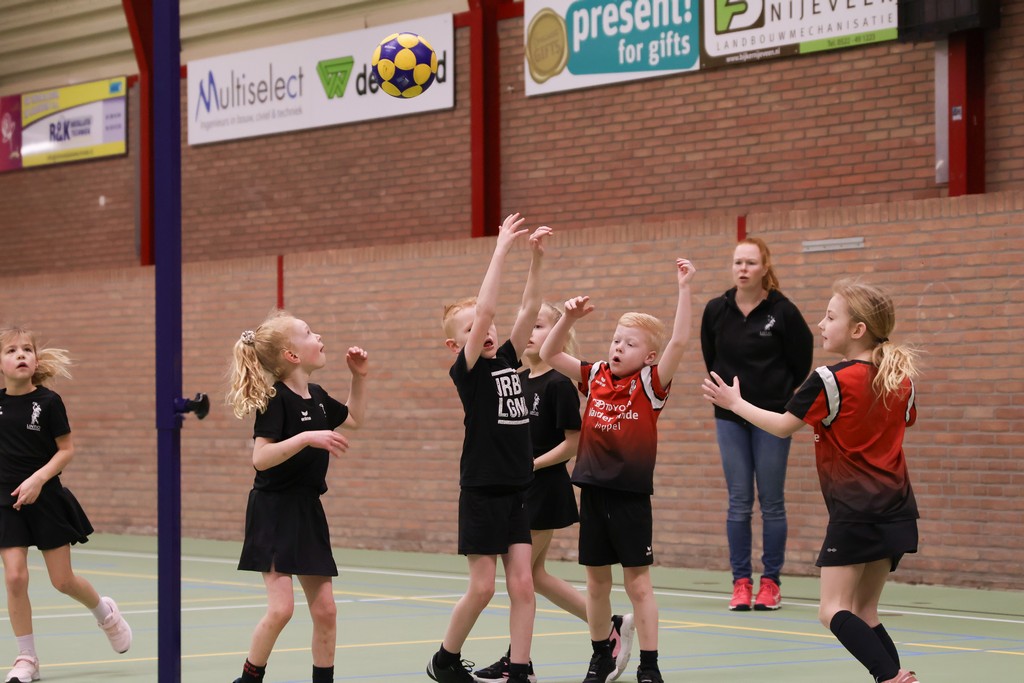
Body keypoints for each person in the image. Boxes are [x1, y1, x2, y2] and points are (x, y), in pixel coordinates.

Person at [702, 279, 922, 683]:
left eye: (831, 316)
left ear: (858, 329)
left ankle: (890, 677)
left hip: (856, 513)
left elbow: (783, 426)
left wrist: (735, 404)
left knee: (832, 609)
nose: (821, 323)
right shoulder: (899, 379)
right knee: (865, 611)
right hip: (898, 510)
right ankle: (894, 676)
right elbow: (901, 421)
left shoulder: (830, 379)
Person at [540, 258, 696, 683]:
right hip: (592, 494)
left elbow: (680, 342)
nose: (618, 347)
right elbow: (549, 353)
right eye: (615, 340)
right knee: (596, 585)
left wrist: (684, 289)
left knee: (638, 585)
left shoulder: (651, 384)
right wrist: (568, 318)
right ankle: (600, 656)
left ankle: (650, 665)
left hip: (630, 498)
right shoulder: (595, 376)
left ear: (648, 356)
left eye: (629, 343)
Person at [473, 302, 636, 683]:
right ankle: (609, 624)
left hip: (543, 490)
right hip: (518, 489)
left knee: (522, 578)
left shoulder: (559, 383)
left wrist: (531, 464)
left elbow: (573, 443)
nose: (530, 332)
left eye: (539, 325)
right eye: (527, 325)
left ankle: (519, 661)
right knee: (535, 575)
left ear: (557, 334)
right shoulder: (516, 377)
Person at [428, 214, 549, 683]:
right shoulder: (469, 370)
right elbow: (485, 311)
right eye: (472, 329)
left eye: (488, 325)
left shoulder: (510, 360)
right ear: (454, 343)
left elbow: (530, 305)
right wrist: (500, 249)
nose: (486, 328)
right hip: (481, 491)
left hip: (516, 490)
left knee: (523, 585)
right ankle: (444, 660)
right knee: (482, 589)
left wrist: (535, 258)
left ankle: (519, 670)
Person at [226, 311, 368, 683]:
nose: (318, 335)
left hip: (308, 510)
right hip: (273, 511)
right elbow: (261, 458)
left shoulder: (317, 396)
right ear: (292, 355)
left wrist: (358, 377)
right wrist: (306, 438)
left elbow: (354, 419)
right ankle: (249, 679)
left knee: (326, 610)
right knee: (282, 610)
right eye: (308, 332)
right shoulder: (276, 400)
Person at [0, 326, 132, 683]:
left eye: (27, 349)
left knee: (62, 580)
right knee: (14, 577)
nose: (21, 355)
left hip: (45, 498)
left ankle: (105, 613)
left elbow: (66, 450)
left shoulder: (48, 402)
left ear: (36, 360)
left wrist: (38, 480)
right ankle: (27, 658)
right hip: (6, 502)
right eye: (11, 350)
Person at [699, 237, 813, 611]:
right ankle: (741, 582)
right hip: (729, 418)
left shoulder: (783, 312)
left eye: (750, 262)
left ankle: (771, 583)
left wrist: (775, 393)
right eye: (738, 262)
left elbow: (801, 361)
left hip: (772, 418)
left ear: (765, 267)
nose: (743, 269)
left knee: (772, 501)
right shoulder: (716, 310)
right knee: (739, 502)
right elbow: (711, 357)